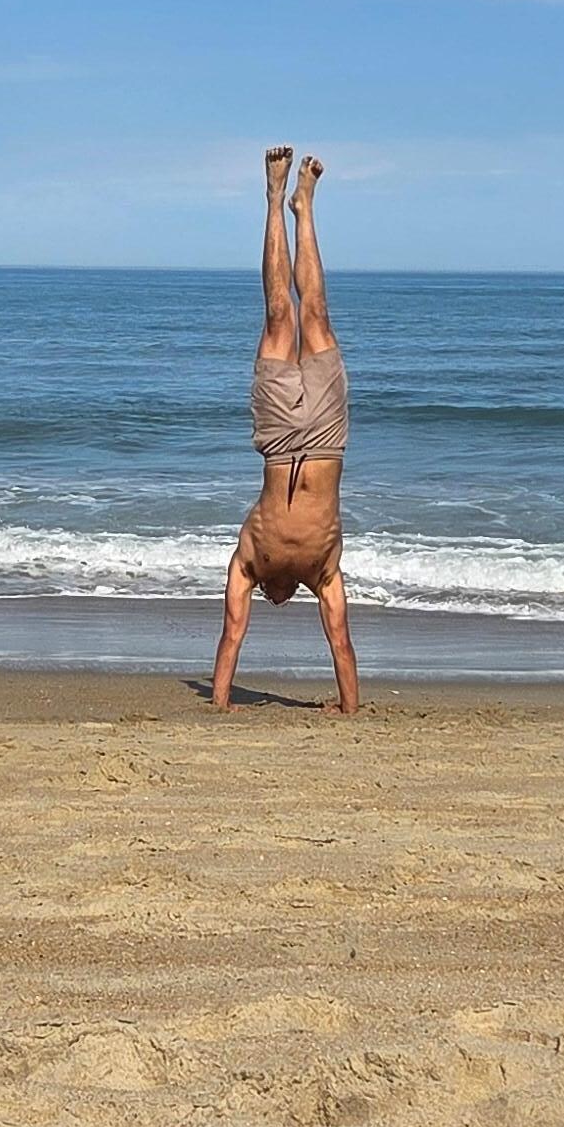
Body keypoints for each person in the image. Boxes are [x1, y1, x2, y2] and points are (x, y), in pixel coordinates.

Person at [210, 145, 359, 714]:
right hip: (325, 434)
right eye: (276, 602)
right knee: (307, 314)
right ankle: (293, 204)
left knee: (283, 313)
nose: (272, 603)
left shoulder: (248, 559)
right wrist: (348, 708)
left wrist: (220, 699)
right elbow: (340, 643)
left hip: (276, 437)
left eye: (264, 602)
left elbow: (230, 636)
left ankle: (287, 201)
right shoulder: (324, 575)